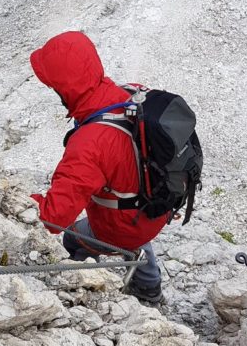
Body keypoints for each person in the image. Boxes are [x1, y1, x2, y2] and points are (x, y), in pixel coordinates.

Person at [29, 30, 167, 304]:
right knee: (134, 224)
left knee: (74, 239)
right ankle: (150, 285)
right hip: (158, 205)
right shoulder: (129, 94)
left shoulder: (89, 144)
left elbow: (53, 218)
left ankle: (85, 287)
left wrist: (16, 203)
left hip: (122, 225)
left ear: (64, 88)